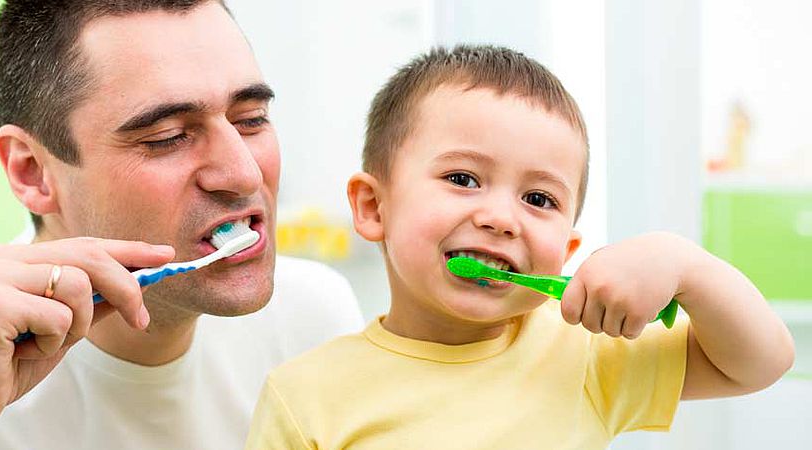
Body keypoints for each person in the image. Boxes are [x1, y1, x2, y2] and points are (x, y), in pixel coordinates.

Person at [0, 1, 364, 449]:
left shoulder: (314, 320)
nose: (244, 172)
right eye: (167, 137)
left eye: (251, 120)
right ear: (32, 171)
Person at [245, 45, 795, 449]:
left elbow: (760, 363)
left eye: (538, 198)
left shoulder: (584, 354)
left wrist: (686, 266)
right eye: (462, 179)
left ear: (567, 248)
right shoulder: (305, 397)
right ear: (372, 207)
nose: (500, 218)